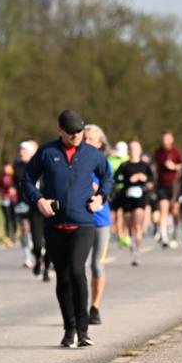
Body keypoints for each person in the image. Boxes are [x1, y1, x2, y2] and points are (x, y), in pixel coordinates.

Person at [22, 110, 112, 349]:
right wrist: (39, 199)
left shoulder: (92, 154)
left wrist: (101, 197)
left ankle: (83, 330)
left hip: (83, 223)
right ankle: (69, 328)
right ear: (59, 130)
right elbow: (27, 179)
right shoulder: (47, 152)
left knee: (76, 269)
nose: (76, 136)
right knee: (62, 276)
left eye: (79, 131)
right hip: (54, 224)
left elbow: (107, 177)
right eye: (71, 132)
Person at [83, 124, 112, 325]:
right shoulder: (75, 161)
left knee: (96, 265)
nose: (86, 142)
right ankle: (80, 308)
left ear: (100, 144)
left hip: (100, 221)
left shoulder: (103, 163)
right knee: (78, 266)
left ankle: (95, 307)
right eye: (84, 139)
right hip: (80, 220)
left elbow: (109, 191)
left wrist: (96, 190)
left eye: (91, 140)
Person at [114, 139, 154, 266]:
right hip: (127, 197)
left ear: (140, 150)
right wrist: (129, 179)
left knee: (138, 224)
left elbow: (152, 182)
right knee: (130, 224)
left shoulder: (145, 165)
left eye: (136, 148)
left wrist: (144, 179)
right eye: (131, 148)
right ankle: (132, 242)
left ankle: (137, 251)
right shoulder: (124, 165)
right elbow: (116, 179)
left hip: (141, 197)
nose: (133, 150)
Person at [15, 140, 49, 279]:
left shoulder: (44, 165)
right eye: (21, 150)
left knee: (49, 239)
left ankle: (46, 268)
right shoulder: (17, 167)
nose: (21, 153)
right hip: (31, 207)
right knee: (35, 241)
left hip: (47, 207)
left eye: (25, 150)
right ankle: (34, 258)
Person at [154, 129, 182, 249]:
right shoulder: (158, 152)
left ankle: (176, 230)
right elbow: (155, 168)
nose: (165, 140)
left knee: (175, 210)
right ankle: (164, 237)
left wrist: (174, 166)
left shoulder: (176, 152)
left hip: (174, 185)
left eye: (167, 138)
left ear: (172, 139)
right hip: (162, 185)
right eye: (163, 138)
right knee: (163, 210)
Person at [107, 141, 129, 247]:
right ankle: (117, 233)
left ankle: (123, 234)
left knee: (123, 213)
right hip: (113, 190)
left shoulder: (127, 160)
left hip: (126, 190)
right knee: (115, 213)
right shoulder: (110, 160)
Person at [0, 161, 17, 249]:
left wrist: (14, 189)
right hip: (5, 198)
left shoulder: (14, 176)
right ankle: (7, 236)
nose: (5, 169)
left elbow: (18, 185)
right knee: (7, 217)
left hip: (13, 200)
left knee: (13, 217)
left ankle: (14, 234)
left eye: (7, 167)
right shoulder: (2, 176)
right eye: (4, 167)